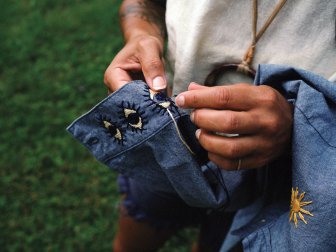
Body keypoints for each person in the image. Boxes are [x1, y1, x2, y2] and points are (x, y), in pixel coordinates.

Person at [103, 0, 336, 251]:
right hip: (169, 133)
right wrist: (141, 35)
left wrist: (302, 121)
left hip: (282, 174)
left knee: (218, 242)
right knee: (141, 221)